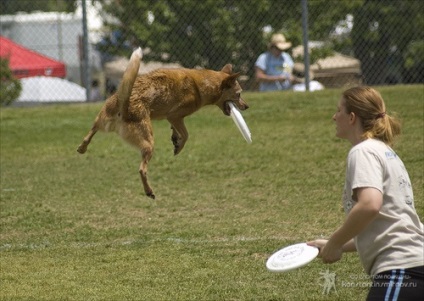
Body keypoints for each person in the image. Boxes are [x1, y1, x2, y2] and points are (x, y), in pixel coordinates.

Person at [307, 86, 423, 300]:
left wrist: (334, 243)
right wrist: (339, 244)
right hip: (414, 266)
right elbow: (386, 223)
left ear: (352, 117)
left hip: (401, 270)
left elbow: (370, 205)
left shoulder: (362, 151)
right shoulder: (385, 152)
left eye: (338, 110)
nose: (334, 117)